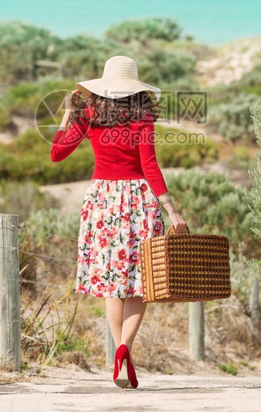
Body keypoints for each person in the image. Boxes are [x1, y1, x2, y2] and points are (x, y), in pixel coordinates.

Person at [50, 55, 187, 389]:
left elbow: (56, 153)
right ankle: (126, 347)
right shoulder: (143, 117)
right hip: (139, 200)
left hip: (103, 202)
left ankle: (119, 355)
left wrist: (67, 116)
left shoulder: (89, 115)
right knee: (141, 282)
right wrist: (171, 209)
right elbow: (150, 166)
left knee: (113, 283)